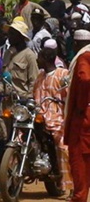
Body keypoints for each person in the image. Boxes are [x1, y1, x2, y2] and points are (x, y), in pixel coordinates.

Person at [34, 46, 72, 194]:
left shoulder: (62, 74)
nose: (37, 60)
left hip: (57, 118)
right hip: (38, 117)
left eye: (39, 58)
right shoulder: (40, 76)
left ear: (45, 59)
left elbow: (68, 96)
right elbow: (34, 95)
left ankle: (70, 187)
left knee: (63, 147)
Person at [1, 19, 39, 142]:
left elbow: (34, 80)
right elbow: (3, 74)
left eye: (12, 34)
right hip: (7, 101)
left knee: (21, 136)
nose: (9, 37)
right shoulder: (8, 53)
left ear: (20, 37)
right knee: (5, 134)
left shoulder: (29, 56)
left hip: (21, 103)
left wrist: (27, 99)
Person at [64, 29, 90, 202]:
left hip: (84, 118)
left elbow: (85, 79)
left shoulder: (84, 57)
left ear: (75, 43)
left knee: (79, 159)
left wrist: (81, 104)